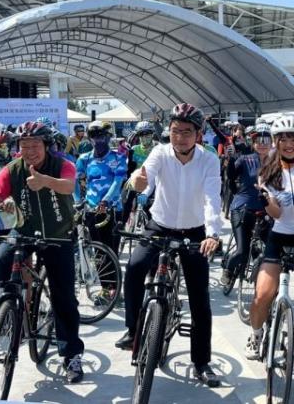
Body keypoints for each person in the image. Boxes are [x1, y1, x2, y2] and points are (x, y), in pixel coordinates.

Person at [0, 120, 85, 383]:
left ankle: (71, 356)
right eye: (24, 146)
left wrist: (45, 181)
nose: (29, 151)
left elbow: (69, 187)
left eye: (35, 146)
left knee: (63, 297)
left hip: (59, 236)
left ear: (47, 145)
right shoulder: (12, 170)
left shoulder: (63, 164)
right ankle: (6, 316)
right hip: (24, 231)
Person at [116, 103, 223, 387]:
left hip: (195, 230)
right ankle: (132, 330)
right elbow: (144, 179)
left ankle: (202, 362)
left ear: (198, 134)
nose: (180, 138)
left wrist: (212, 234)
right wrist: (138, 183)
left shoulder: (209, 159)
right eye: (175, 131)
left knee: (200, 299)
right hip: (160, 224)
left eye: (186, 132)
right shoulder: (160, 153)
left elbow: (213, 198)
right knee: (136, 267)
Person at [243, 115, 294, 401]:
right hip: (278, 239)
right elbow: (276, 214)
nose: (288, 144)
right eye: (283, 140)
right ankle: (256, 333)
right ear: (276, 143)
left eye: (293, 139)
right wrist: (268, 202)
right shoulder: (267, 173)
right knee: (262, 295)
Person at [220, 123, 272, 288]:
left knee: (269, 252)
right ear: (253, 142)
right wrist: (229, 159)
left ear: (272, 142)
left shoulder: (277, 163)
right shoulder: (244, 159)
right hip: (243, 208)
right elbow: (230, 177)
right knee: (242, 251)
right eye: (258, 140)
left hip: (267, 210)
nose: (262, 143)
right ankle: (228, 269)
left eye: (266, 140)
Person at [75, 120, 126, 259]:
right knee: (96, 251)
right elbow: (74, 181)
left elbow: (118, 182)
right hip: (92, 209)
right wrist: (77, 201)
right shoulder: (84, 158)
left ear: (109, 137)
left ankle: (112, 281)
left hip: (112, 209)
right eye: (94, 137)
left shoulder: (118, 157)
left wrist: (105, 201)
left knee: (111, 250)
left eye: (101, 137)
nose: (98, 141)